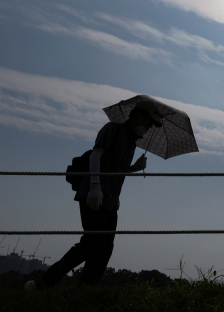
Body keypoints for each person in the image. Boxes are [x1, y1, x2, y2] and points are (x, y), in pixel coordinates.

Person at [25, 102, 162, 290]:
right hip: (93, 193)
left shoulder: (132, 143)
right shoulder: (113, 128)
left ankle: (87, 290)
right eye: (149, 122)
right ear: (138, 116)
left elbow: (116, 171)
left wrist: (134, 168)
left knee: (105, 248)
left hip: (111, 202)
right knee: (92, 243)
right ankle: (42, 284)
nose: (149, 127)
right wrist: (95, 186)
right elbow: (95, 156)